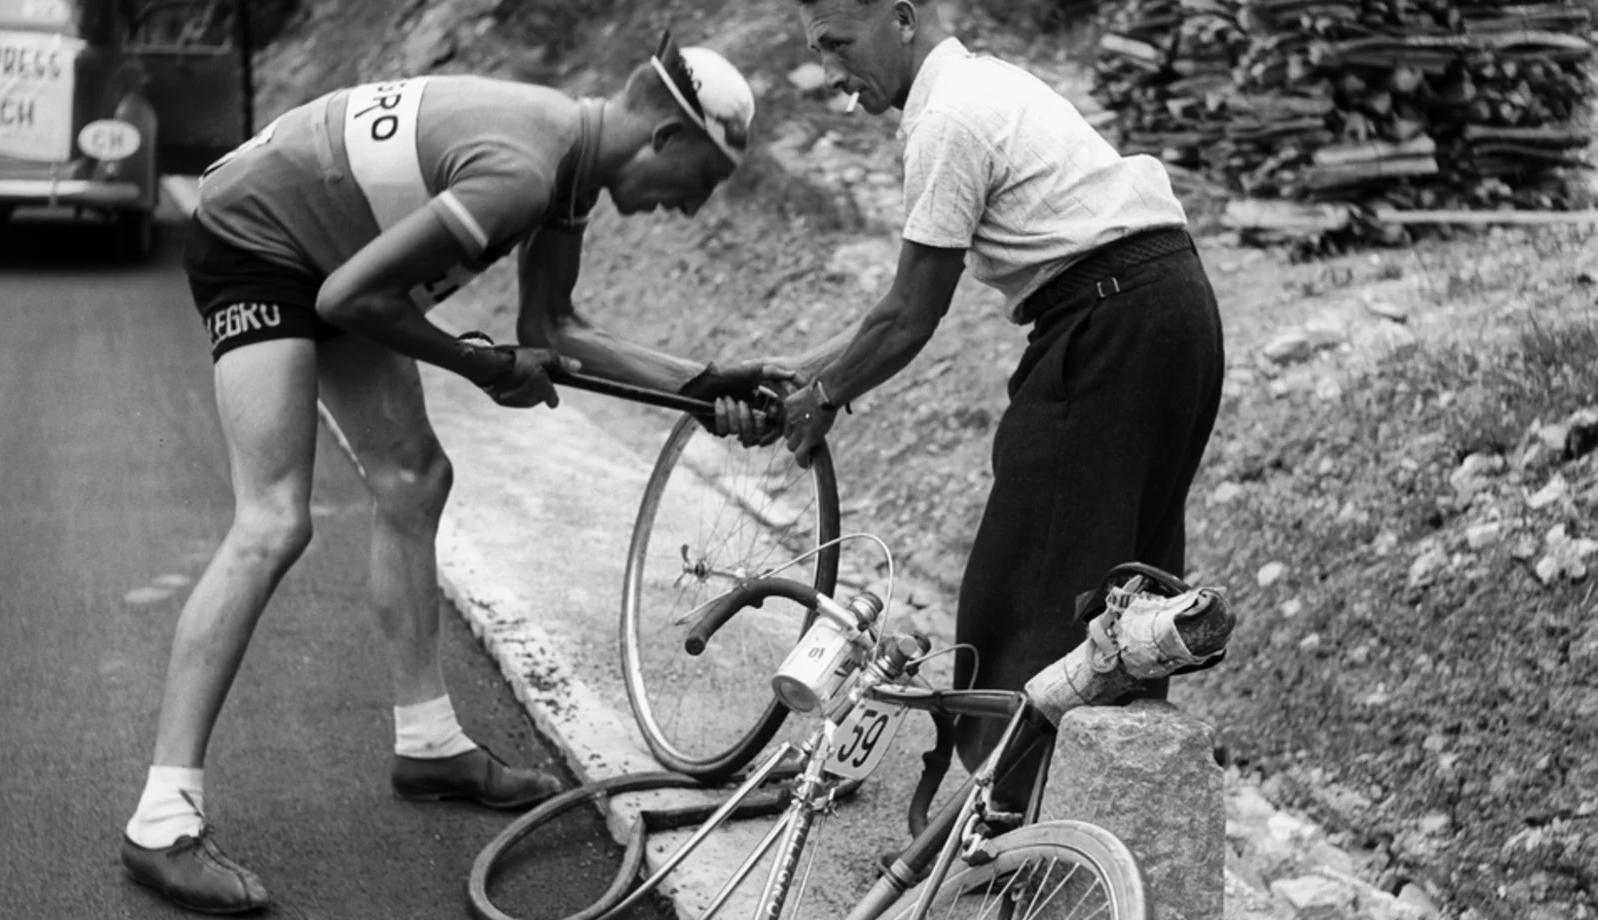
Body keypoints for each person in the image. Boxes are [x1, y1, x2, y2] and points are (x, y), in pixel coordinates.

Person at [121, 33, 775, 914]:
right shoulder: (523, 172)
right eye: (700, 182)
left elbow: (556, 326)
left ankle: (428, 746)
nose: (691, 209)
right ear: (664, 137)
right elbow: (349, 303)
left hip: (329, 254)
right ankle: (160, 821)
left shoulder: (569, 165)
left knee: (415, 478)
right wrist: (483, 367)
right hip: (256, 241)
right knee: (273, 519)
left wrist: (699, 385)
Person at [778, 0, 1226, 812]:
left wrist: (824, 394)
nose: (833, 73)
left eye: (839, 45)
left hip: (1108, 322)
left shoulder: (945, 119)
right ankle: (1092, 821)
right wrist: (798, 373)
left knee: (1027, 587)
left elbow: (910, 313)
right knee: (1124, 585)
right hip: (1171, 308)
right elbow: (894, 311)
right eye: (818, 51)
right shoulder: (983, 86)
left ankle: (1009, 821)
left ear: (902, 19)